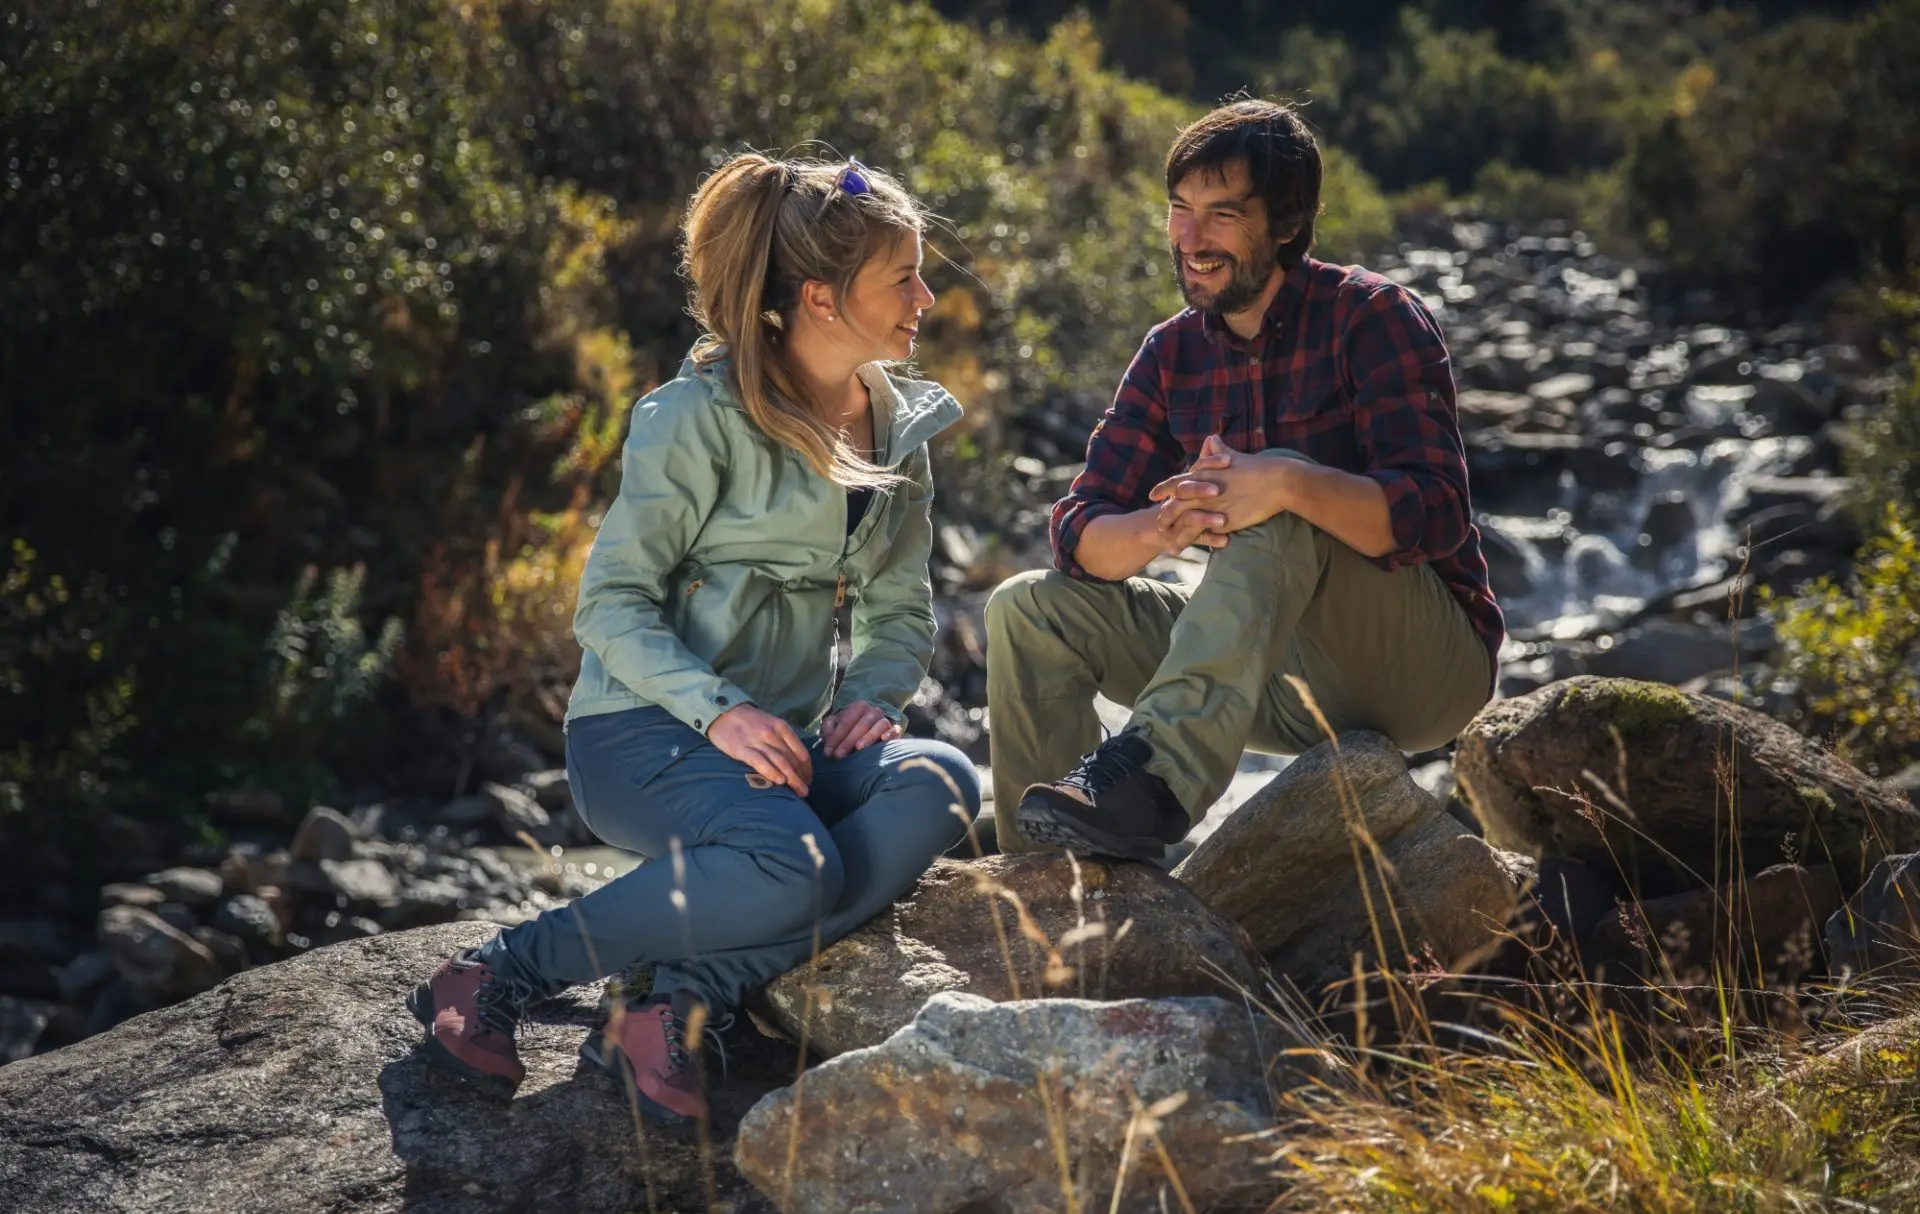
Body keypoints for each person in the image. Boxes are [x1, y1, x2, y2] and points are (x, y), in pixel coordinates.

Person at [409, 153, 980, 1121]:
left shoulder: (898, 427)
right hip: (642, 734)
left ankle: (673, 1000)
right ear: (821, 297)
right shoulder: (692, 420)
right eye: (904, 276)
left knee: (943, 784)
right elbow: (610, 605)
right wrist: (721, 712)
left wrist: (873, 697)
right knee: (791, 864)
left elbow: (898, 604)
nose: (927, 296)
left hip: (783, 748)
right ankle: (494, 973)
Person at [987, 99, 1505, 863]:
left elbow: (1435, 516)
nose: (1191, 240)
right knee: (1026, 609)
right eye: (1179, 211)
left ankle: (1150, 783)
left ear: (1288, 225)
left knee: (1281, 491)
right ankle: (1046, 881)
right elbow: (1078, 533)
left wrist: (1288, 486)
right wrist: (1159, 531)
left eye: (1222, 215)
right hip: (1267, 669)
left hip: (1421, 668)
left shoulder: (1373, 316)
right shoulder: (1170, 354)